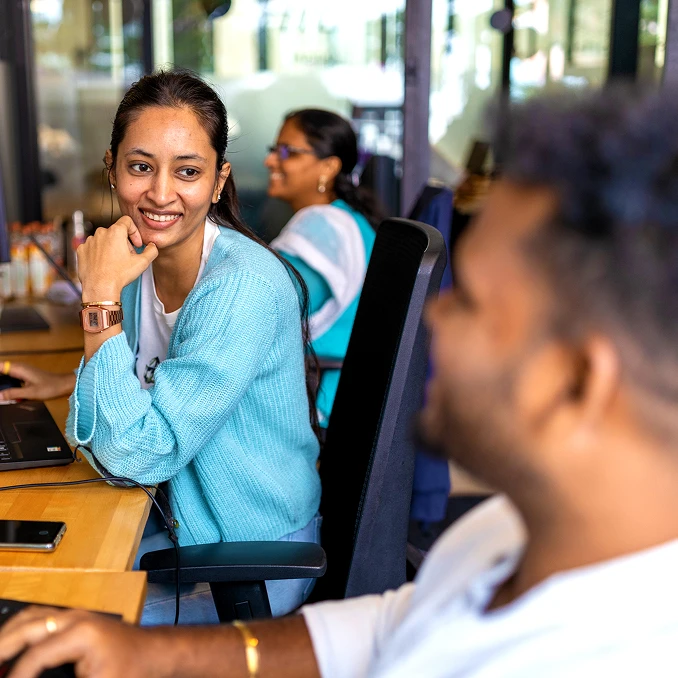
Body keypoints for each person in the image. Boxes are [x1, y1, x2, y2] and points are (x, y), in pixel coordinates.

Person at [6, 84, 678, 676]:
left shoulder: (618, 654)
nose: (436, 319)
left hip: (226, 547)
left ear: (577, 381)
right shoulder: (501, 535)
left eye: (472, 300)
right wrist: (150, 656)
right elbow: (388, 626)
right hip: (187, 523)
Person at [0, 70, 322, 622]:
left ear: (218, 181)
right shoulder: (136, 260)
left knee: (44, 618)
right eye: (140, 166)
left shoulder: (240, 286)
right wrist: (77, 378)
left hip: (243, 553)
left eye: (188, 171)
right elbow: (111, 413)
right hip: (176, 520)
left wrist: (97, 297)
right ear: (113, 169)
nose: (160, 193)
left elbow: (135, 455)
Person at [264, 109, 383, 424]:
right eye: (274, 149)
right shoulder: (346, 218)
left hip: (319, 401)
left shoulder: (322, 226)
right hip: (341, 392)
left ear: (329, 167)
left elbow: (263, 311)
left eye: (287, 151)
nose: (271, 161)